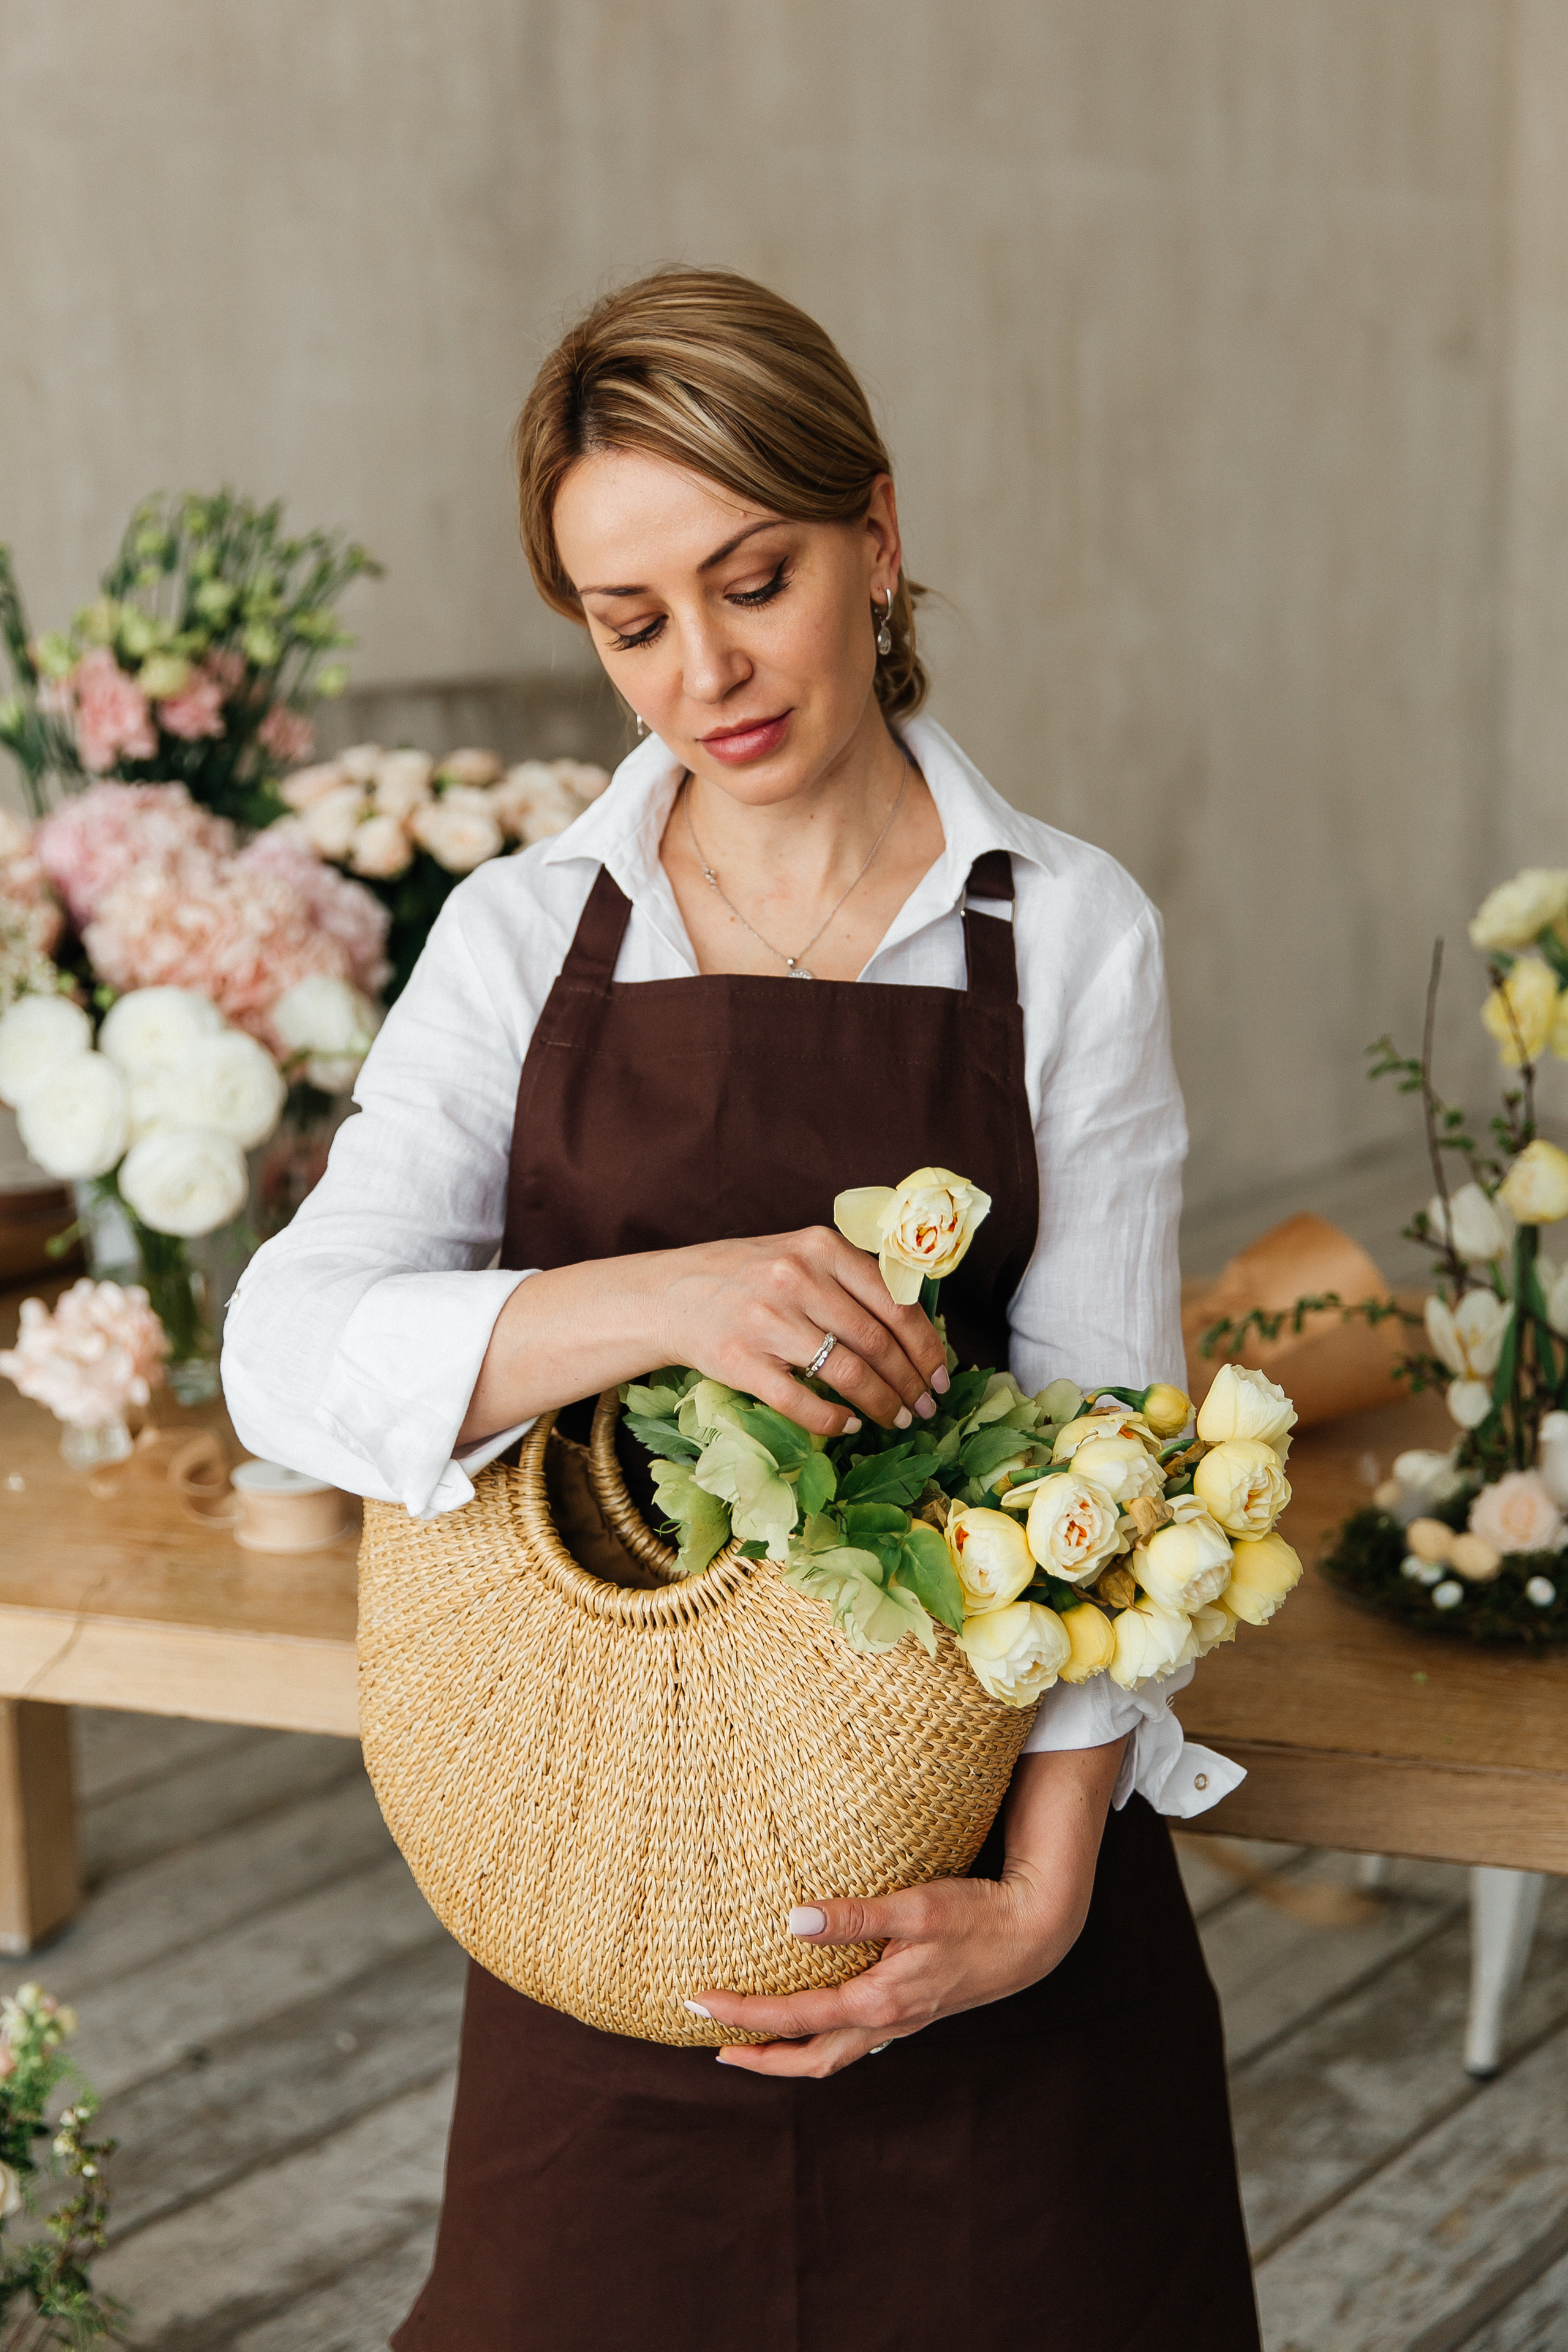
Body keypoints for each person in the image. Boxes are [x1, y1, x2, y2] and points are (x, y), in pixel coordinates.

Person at [224, 266, 1261, 2350]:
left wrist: (1039, 1903)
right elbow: (284, 1349)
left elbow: (1110, 1457)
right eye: (632, 624)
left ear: (879, 538)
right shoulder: (520, 939)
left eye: (753, 579)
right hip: (602, 1936)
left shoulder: (1065, 935)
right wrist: (667, 1298)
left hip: (980, 1922)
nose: (705, 671)